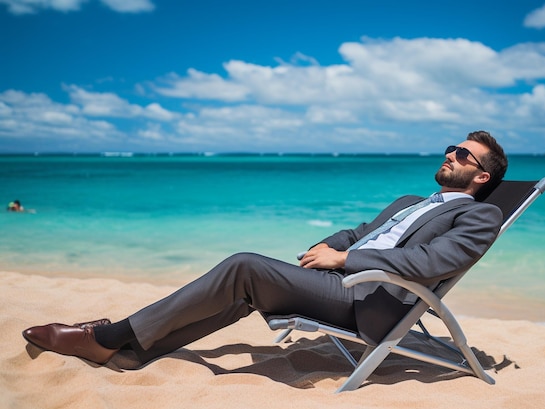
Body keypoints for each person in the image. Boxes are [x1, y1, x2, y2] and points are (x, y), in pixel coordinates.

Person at [22, 131, 508, 367]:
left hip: (369, 299)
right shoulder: (412, 201)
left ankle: (109, 337)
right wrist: (332, 244)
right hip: (340, 280)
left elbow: (432, 263)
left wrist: (347, 259)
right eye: (452, 147)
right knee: (244, 291)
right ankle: (132, 354)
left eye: (463, 155)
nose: (451, 155)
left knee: (244, 267)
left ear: (481, 176)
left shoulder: (480, 214)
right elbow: (363, 230)